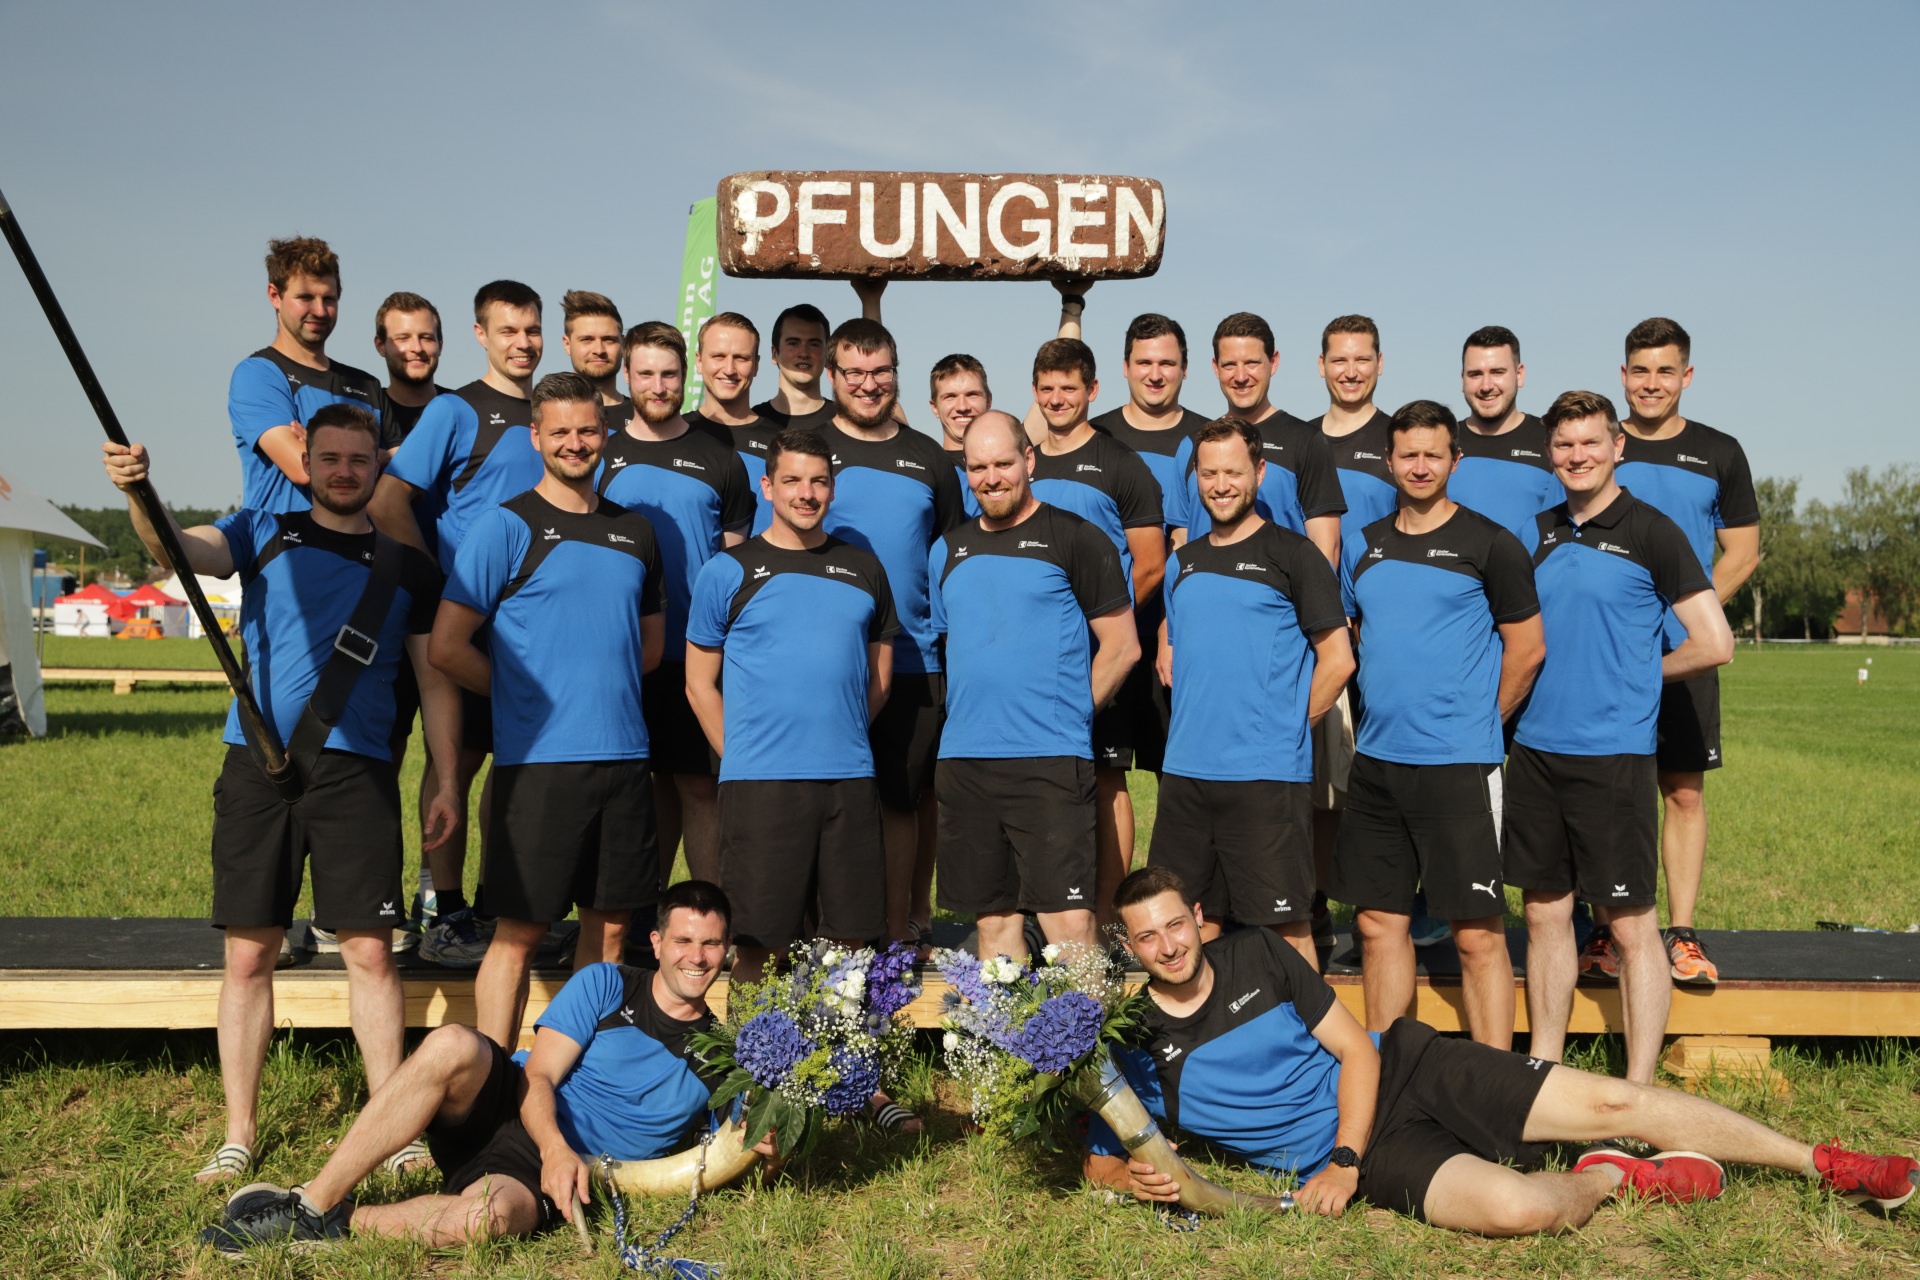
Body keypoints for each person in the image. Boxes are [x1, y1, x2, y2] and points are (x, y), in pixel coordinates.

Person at [1085, 867, 1918, 1234]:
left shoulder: (1258, 954)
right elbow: (1098, 1161)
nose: (1168, 946)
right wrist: (1138, 1178)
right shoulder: (1131, 1043)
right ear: (1128, 947)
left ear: (1199, 919)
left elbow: (1358, 1055)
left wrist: (1341, 1159)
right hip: (1384, 1157)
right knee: (1520, 1211)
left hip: (1408, 1071)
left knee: (1618, 1098)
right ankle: (1611, 1174)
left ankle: (1827, 1163)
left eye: (1175, 925)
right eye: (1147, 938)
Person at [102, 405, 458, 1185]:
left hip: (359, 773)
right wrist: (138, 492)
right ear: (307, 460)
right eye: (329, 458)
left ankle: (393, 1128)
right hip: (257, 767)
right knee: (249, 953)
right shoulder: (260, 529)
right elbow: (174, 548)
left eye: (359, 460)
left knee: (370, 953)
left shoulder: (410, 569)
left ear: (376, 464)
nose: (344, 472)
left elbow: (434, 684)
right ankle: (238, 1134)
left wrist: (449, 778)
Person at [195, 882, 780, 1254]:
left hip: (553, 1173)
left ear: (727, 949)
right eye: (683, 941)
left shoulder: (725, 1055)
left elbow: (742, 1152)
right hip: (513, 1106)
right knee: (454, 1042)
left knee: (489, 1221)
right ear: (656, 942)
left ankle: (340, 1222)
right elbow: (539, 1077)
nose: (696, 957)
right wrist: (554, 1147)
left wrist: (771, 1147)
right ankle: (308, 1202)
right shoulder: (607, 983)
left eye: (710, 944)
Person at [431, 372, 667, 1048]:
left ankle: (574, 1073)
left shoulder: (636, 533)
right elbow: (447, 647)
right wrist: (525, 694)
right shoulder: (505, 526)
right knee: (520, 933)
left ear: (606, 434)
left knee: (611, 929)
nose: (575, 443)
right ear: (535, 437)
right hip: (539, 765)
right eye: (560, 431)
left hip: (624, 761)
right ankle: (492, 1081)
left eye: (587, 430)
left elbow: (649, 649)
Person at [1509, 391, 1733, 1085]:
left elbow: (1715, 642)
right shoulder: (1536, 531)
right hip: (1535, 749)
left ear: (1617, 447)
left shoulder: (1652, 531)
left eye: (1590, 443)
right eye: (1564, 445)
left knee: (1632, 924)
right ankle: (1545, 1069)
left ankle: (1639, 1089)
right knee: (1545, 913)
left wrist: (1638, 675)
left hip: (1613, 754)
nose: (1577, 456)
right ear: (1551, 453)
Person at [1333, 401, 1545, 1047]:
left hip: (1458, 765)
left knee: (1477, 934)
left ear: (1456, 459)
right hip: (1377, 763)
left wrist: (1480, 721)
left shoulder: (1492, 544)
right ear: (1389, 461)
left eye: (1433, 454)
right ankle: (1388, 1068)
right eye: (1408, 455)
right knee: (1378, 924)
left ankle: (1492, 1077)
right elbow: (1358, 638)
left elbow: (1527, 648)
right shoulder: (1362, 545)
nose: (1420, 466)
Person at [372, 280, 549, 969]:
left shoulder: (553, 413)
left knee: (518, 769)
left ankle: (497, 905)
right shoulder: (456, 410)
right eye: (508, 331)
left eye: (531, 330)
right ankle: (444, 912)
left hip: (533, 627)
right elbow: (389, 502)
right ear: (481, 335)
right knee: (455, 766)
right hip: (465, 625)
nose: (522, 343)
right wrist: (438, 584)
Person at [685, 427, 897, 984]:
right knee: (759, 944)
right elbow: (698, 684)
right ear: (768, 487)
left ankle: (841, 1044)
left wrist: (843, 736)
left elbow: (879, 678)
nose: (807, 493)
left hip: (848, 780)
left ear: (833, 488)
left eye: (819, 482)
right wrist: (741, 756)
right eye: (793, 481)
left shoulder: (865, 568)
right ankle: (752, 1042)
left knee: (851, 944)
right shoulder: (727, 571)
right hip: (761, 786)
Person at [930, 412, 1138, 962]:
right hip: (966, 762)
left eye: (1003, 463)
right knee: (994, 925)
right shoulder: (947, 550)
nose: (991, 478)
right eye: (978, 467)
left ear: (1029, 460)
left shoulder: (1077, 538)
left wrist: (1069, 716)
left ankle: (1086, 1023)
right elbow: (953, 649)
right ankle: (1003, 1024)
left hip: (1049, 759)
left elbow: (1122, 647)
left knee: (1069, 923)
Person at [1151, 417, 1353, 968]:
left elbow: (1338, 659)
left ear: (1259, 472)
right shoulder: (1182, 563)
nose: (1220, 485)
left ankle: (1305, 1028)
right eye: (1209, 474)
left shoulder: (1295, 556)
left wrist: (1288, 729)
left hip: (1265, 778)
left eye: (1233, 472)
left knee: (1285, 931)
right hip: (1187, 776)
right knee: (1193, 925)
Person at [1605, 318, 1760, 988]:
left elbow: (1742, 553)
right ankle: (1605, 932)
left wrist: (1683, 614)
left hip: (1685, 653)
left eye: (1665, 371)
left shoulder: (1719, 451)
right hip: (1608, 654)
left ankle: (1683, 933)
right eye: (1640, 371)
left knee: (1684, 792)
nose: (1651, 383)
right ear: (1623, 376)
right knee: (1609, 792)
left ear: (1686, 376)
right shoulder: (1598, 444)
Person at [819, 318, 966, 954]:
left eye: (880, 371)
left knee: (904, 801)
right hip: (827, 662)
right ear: (832, 376)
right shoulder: (807, 450)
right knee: (831, 801)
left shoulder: (928, 458)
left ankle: (902, 923)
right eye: (854, 372)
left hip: (914, 657)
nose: (868, 384)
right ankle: (831, 928)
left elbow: (955, 558)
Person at [598, 321, 755, 889]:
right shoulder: (602, 452)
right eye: (646, 373)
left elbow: (733, 564)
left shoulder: (720, 457)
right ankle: (643, 911)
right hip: (622, 653)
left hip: (694, 654)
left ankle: (712, 914)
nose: (658, 385)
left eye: (668, 374)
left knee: (697, 786)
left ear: (685, 377)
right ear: (626, 375)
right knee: (637, 786)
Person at [1027, 337, 1164, 929]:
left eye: (1070, 388)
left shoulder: (1120, 464)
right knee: (1040, 776)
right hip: (1037, 658)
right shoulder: (1023, 462)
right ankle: (1046, 910)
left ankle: (1109, 916)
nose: (1058, 399)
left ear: (1092, 390)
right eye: (1047, 389)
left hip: (1102, 653)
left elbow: (1151, 565)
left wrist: (1100, 625)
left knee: (1106, 776)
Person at [1167, 312, 1343, 564]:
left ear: (1274, 362)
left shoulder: (1306, 442)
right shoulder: (1191, 445)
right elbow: (1181, 540)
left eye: (1252, 363)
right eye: (1229, 365)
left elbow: (1326, 547)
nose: (1240, 377)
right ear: (1215, 367)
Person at [228, 237, 382, 514]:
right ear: (274, 295)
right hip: (278, 540)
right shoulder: (257, 375)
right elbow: (301, 468)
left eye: (329, 299)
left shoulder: (366, 385)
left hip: (357, 540)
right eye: (306, 298)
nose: (320, 311)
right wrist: (366, 456)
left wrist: (313, 441)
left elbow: (399, 471)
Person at [1451, 326, 1562, 543]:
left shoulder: (1553, 442)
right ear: (1462, 378)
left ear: (1519, 375)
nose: (1486, 386)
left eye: (1497, 372)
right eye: (1475, 374)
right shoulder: (1441, 445)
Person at [686, 312, 778, 534]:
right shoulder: (677, 434)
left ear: (756, 365)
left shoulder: (780, 442)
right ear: (699, 361)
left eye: (741, 358)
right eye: (718, 356)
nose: (729, 370)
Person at [372, 291, 447, 457]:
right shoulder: (367, 415)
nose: (417, 348)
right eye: (403, 338)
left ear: (440, 345)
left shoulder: (464, 409)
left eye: (426, 338)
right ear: (380, 346)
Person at [752, 303, 836, 431]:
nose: (804, 353)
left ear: (827, 355)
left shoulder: (845, 421)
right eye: (793, 343)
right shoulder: (752, 422)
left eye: (814, 344)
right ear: (774, 354)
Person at [559, 289, 631, 426]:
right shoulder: (545, 414)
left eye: (608, 340)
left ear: (623, 344)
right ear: (567, 344)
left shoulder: (643, 418)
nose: (599, 350)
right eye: (587, 340)